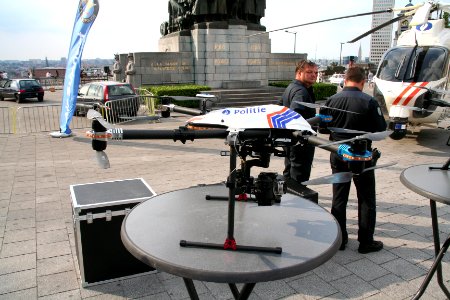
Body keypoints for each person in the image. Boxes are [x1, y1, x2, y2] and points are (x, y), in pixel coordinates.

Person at [322, 67, 387, 253]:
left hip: (338, 151)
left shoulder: (332, 100)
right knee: (366, 198)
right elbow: (380, 130)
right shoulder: (369, 101)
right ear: (362, 81)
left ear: (346, 79)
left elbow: (324, 128)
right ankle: (366, 241)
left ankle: (340, 239)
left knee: (339, 196)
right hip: (362, 154)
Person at [281, 60, 318, 187]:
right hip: (300, 143)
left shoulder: (291, 87)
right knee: (299, 179)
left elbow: (279, 108)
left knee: (289, 174)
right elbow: (294, 114)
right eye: (309, 72)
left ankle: (286, 199)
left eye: (315, 72)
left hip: (291, 141)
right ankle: (296, 203)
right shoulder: (301, 91)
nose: (314, 75)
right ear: (299, 73)